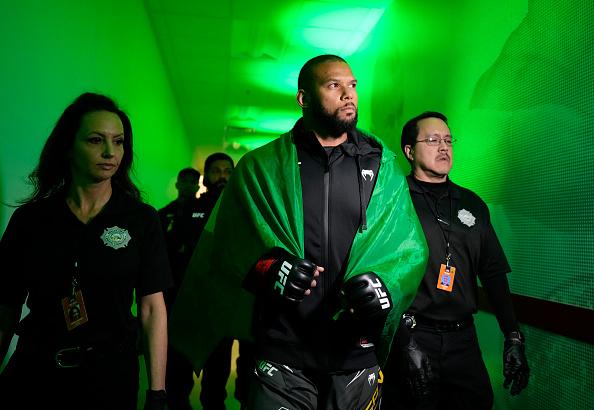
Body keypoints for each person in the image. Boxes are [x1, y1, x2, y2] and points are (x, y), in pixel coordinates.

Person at [169, 54, 428, 409]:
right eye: (334, 85)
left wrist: (386, 283)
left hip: (354, 350)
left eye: (352, 85)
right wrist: (266, 268)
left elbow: (409, 248)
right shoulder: (259, 167)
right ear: (303, 98)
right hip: (282, 348)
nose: (348, 94)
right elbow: (227, 245)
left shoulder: (382, 168)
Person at [0, 92, 172, 410]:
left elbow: (152, 309)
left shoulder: (141, 219)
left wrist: (157, 392)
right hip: (36, 376)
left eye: (119, 142)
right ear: (68, 147)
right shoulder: (32, 220)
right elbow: (5, 307)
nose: (110, 152)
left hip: (109, 378)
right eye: (95, 140)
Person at [382, 111, 530, 409]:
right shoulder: (394, 201)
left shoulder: (471, 204)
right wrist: (402, 341)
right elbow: (378, 276)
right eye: (433, 139)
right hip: (411, 335)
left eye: (448, 140)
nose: (444, 147)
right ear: (409, 151)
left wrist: (513, 337)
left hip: (462, 338)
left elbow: (493, 273)